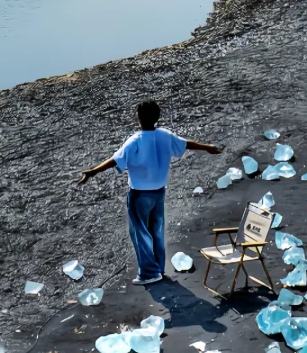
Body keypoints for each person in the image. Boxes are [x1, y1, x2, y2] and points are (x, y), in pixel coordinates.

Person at [77, 101, 221, 284]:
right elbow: (185, 144)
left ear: (141, 117)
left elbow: (115, 160)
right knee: (156, 231)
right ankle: (158, 269)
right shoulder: (164, 135)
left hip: (139, 195)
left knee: (140, 233)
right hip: (159, 192)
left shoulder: (135, 140)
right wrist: (207, 147)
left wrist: (92, 171)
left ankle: (149, 273)